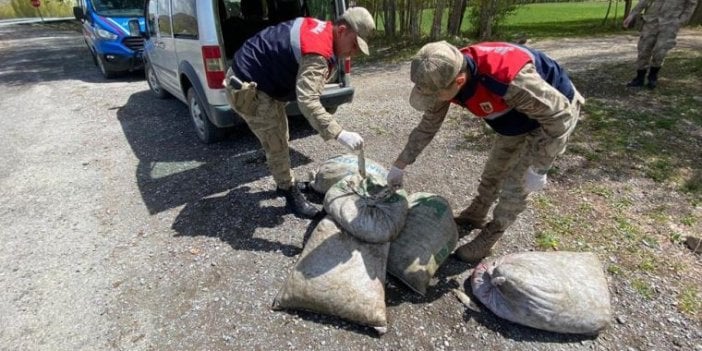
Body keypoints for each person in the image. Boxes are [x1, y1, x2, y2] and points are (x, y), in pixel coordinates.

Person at [386, 41, 584, 262]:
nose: (433, 101)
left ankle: (493, 233)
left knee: (515, 186)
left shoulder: (507, 80)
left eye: (436, 96)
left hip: (551, 120)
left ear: (459, 81)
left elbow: (560, 117)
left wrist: (540, 167)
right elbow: (428, 125)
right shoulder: (445, 70)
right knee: (494, 170)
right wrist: (400, 164)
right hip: (515, 119)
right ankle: (476, 213)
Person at [224, 7, 375, 219]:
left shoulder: (323, 29)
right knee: (276, 142)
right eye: (354, 45)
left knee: (281, 135)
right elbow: (307, 101)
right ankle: (288, 191)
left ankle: (282, 180)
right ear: (341, 30)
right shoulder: (318, 53)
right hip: (248, 88)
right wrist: (340, 133)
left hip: (262, 80)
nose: (355, 52)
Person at [623, 0, 698, 89]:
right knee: (643, 49)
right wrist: (633, 14)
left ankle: (652, 76)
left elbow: (691, 4)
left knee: (660, 50)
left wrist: (681, 21)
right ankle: (639, 78)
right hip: (651, 20)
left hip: (670, 23)